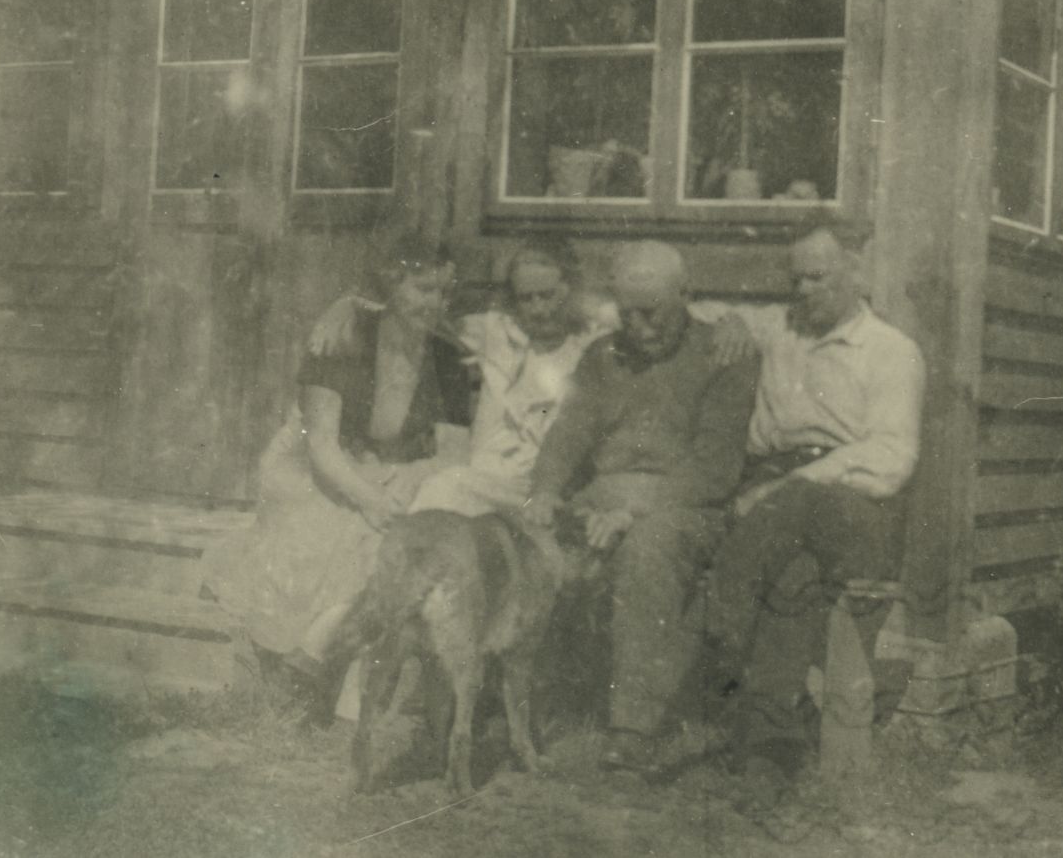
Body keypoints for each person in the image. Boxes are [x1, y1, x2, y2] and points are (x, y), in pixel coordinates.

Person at [198, 233, 473, 696]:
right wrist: (369, 498)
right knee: (342, 537)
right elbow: (321, 444)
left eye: (446, 291)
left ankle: (309, 654)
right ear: (392, 285)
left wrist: (409, 481)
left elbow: (455, 450)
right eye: (424, 289)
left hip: (389, 469)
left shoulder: (447, 357)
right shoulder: (343, 339)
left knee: (399, 537)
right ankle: (294, 654)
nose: (437, 303)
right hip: (314, 468)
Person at [523, 241, 760, 772]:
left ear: (686, 295)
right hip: (602, 498)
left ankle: (633, 728)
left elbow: (713, 469)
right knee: (529, 538)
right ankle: (522, 708)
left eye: (651, 312)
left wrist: (634, 513)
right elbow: (567, 435)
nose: (638, 327)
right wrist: (544, 492)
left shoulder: (724, 355)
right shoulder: (603, 357)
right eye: (626, 312)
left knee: (648, 549)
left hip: (687, 508)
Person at [702, 216, 926, 764]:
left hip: (856, 510)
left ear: (856, 271)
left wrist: (793, 486)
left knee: (795, 505)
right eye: (795, 280)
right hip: (777, 506)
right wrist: (728, 317)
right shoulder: (782, 330)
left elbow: (891, 460)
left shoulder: (889, 351)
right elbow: (708, 318)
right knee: (792, 576)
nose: (802, 291)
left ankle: (721, 619)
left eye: (817, 278)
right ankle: (772, 743)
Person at [308, 237, 615, 518]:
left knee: (439, 493)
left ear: (570, 289)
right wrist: (348, 306)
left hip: (534, 485)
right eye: (526, 298)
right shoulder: (494, 332)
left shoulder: (591, 350)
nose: (537, 309)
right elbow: (412, 310)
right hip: (480, 477)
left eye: (547, 296)